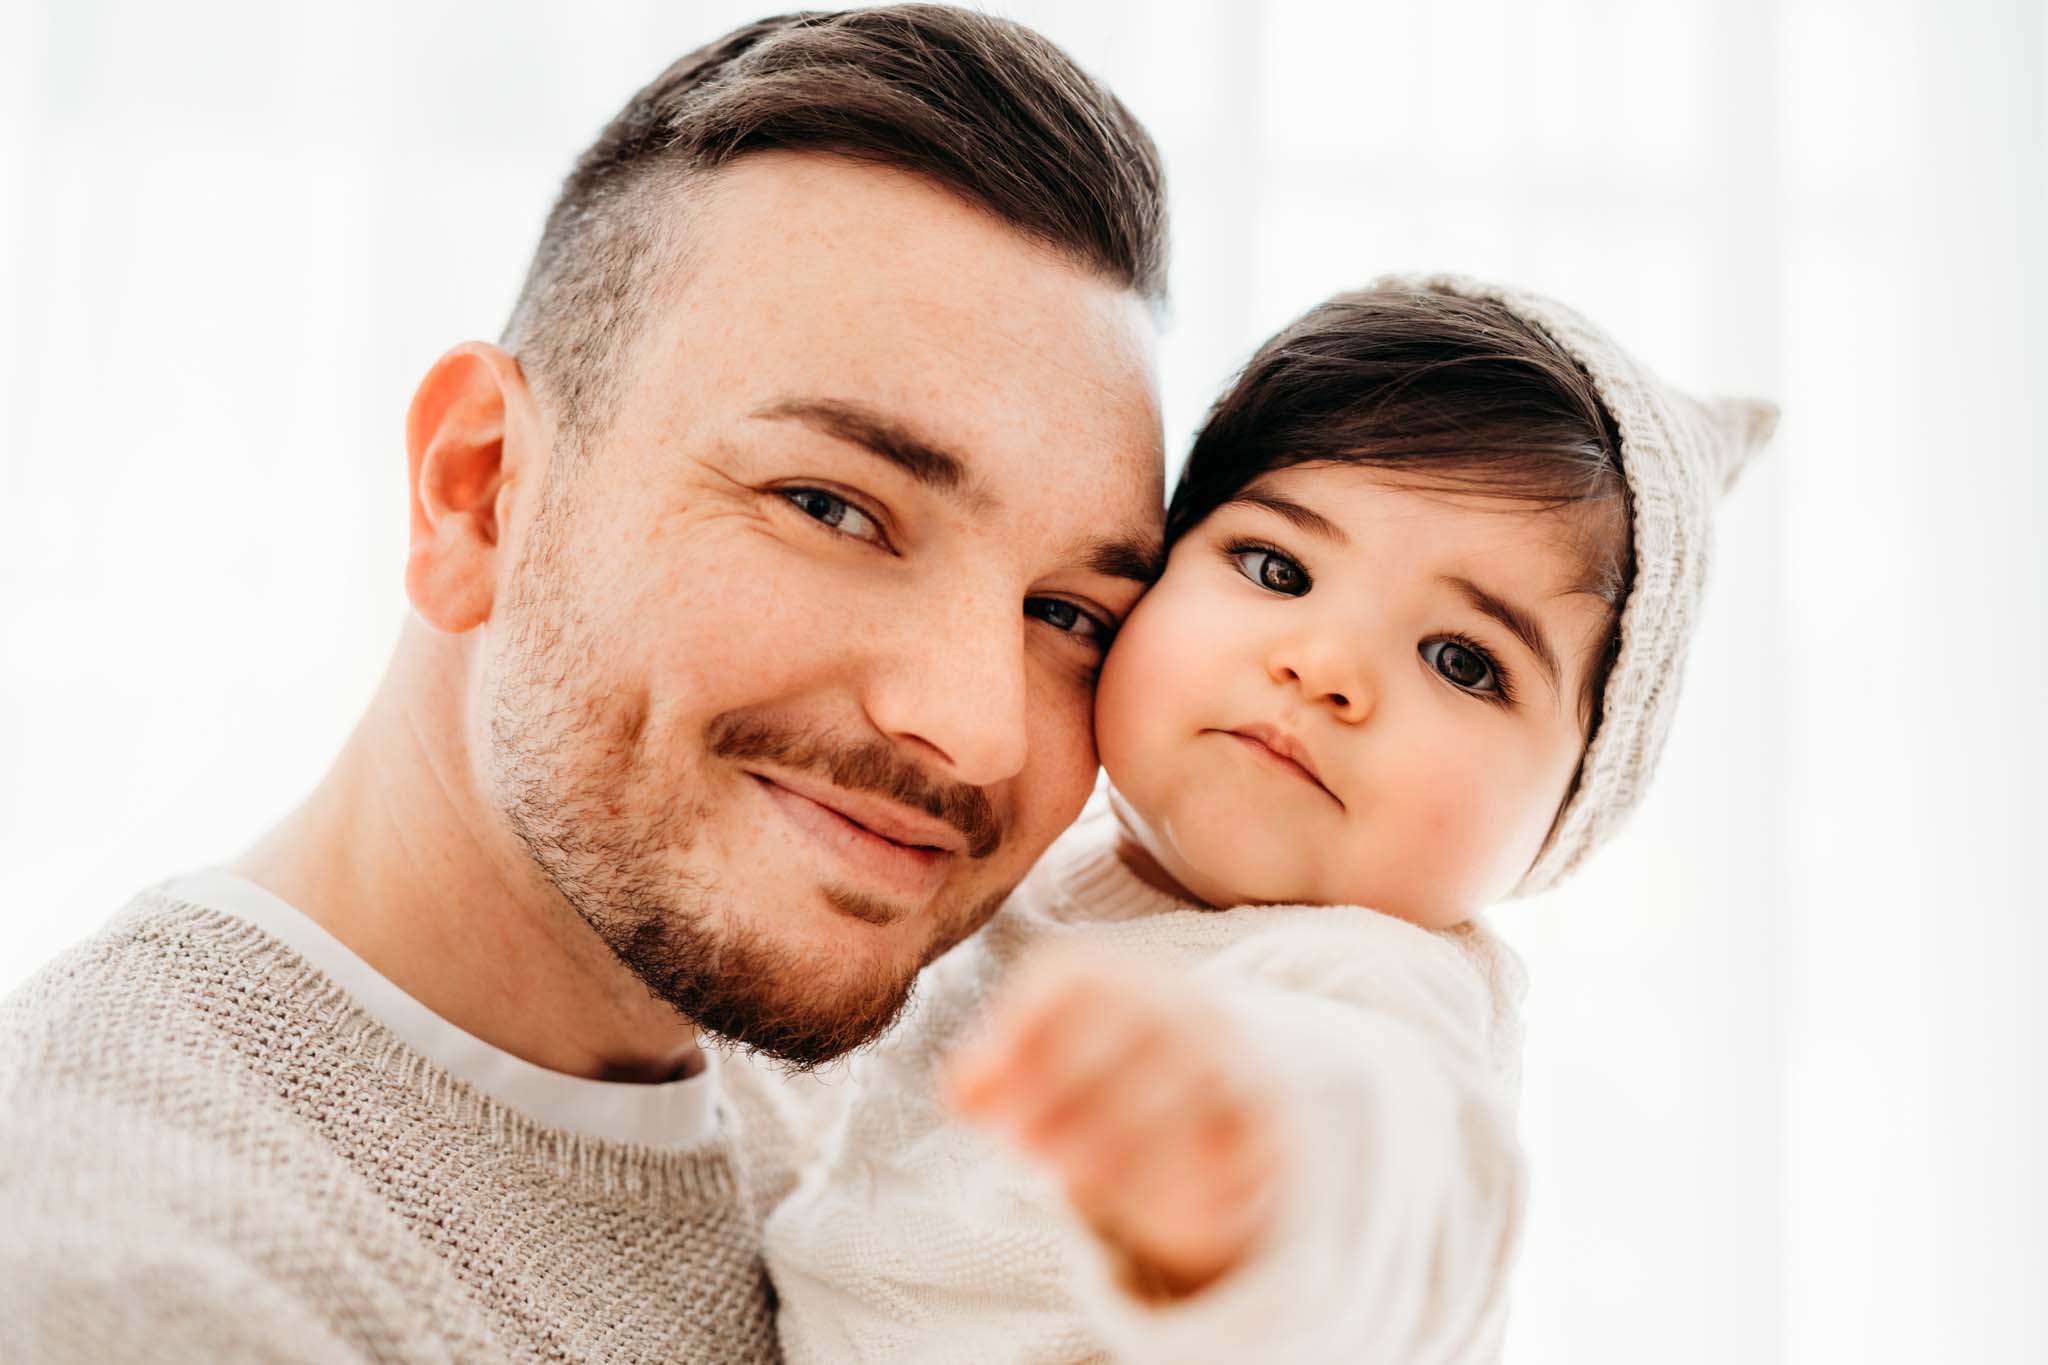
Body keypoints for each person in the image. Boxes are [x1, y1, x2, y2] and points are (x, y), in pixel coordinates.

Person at [0, 8, 1171, 1361]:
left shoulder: (903, 1143)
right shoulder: (118, 1285)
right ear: (478, 489)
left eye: (1072, 613)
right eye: (832, 506)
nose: (972, 728)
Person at [762, 276, 1779, 1363]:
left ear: (1567, 818)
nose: (1323, 666)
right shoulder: (1009, 857)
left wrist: (1245, 1155)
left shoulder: (1376, 988)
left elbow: (1413, 1187)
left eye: (1461, 662)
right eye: (1275, 567)